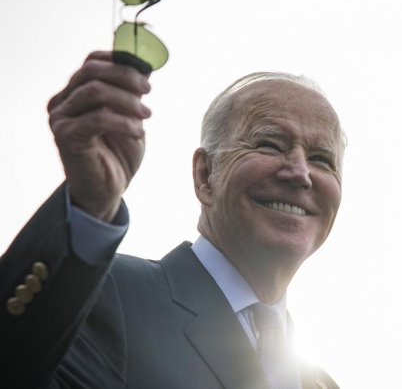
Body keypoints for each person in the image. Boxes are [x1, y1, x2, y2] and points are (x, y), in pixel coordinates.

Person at [0, 51, 343, 388]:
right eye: (269, 144)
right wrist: (89, 203)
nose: (300, 173)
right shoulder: (108, 294)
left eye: (321, 159)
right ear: (206, 175)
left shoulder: (318, 382)